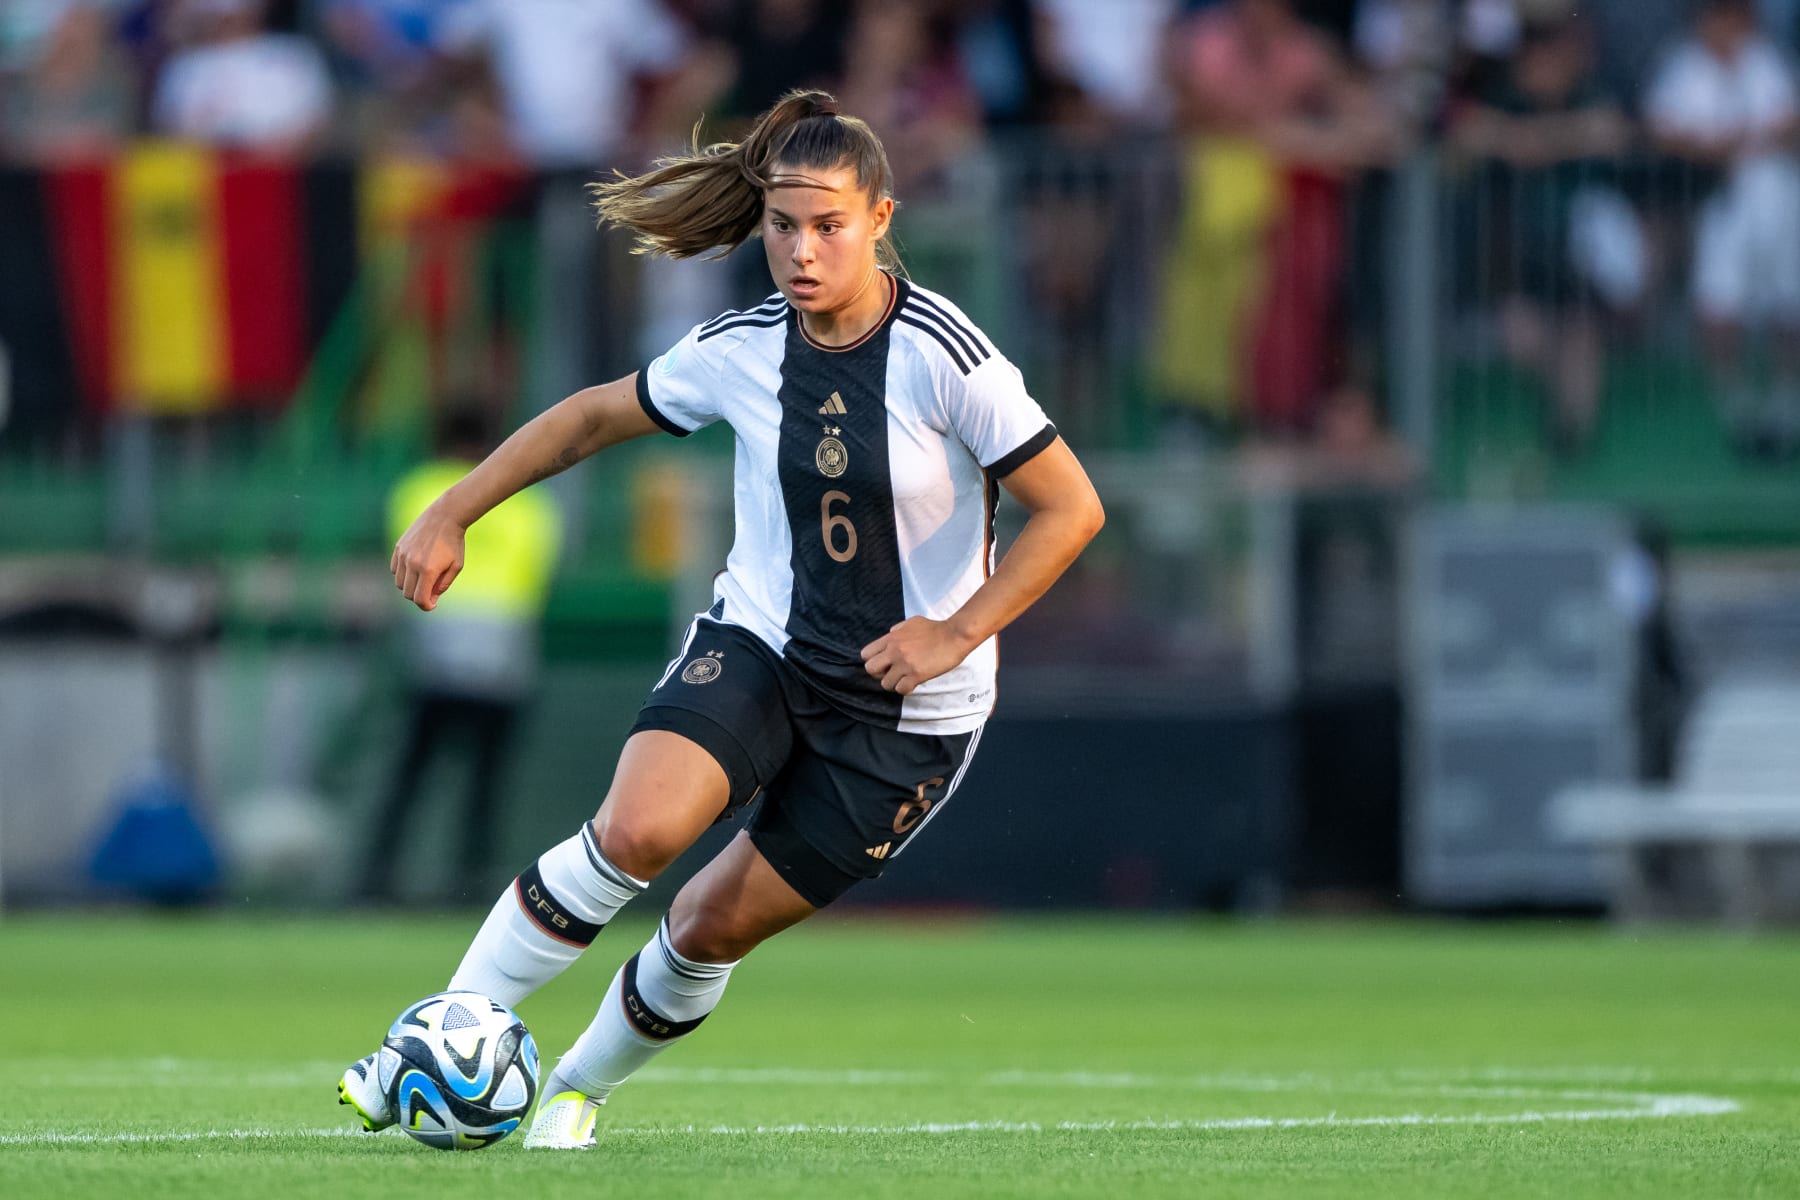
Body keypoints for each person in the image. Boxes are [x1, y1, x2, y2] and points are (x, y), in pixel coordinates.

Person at [336, 88, 1104, 1149]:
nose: (802, 250)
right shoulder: (742, 346)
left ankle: (576, 1091)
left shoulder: (948, 355)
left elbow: (1072, 509)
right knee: (636, 832)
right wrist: (453, 507)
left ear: (881, 219)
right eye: (783, 225)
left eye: (829, 225)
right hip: (765, 648)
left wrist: (955, 632)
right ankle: (422, 1045)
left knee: (706, 926)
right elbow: (590, 418)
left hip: (910, 713)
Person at [354, 407, 563, 904]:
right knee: (487, 784)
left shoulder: (418, 489)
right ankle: (471, 886)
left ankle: (376, 881)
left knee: (410, 776)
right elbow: (538, 577)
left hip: (435, 654)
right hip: (503, 660)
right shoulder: (528, 500)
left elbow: (403, 558)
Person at [1646, 0, 1800, 455]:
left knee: (1788, 305)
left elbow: (1790, 123)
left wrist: (1745, 138)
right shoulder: (1683, 65)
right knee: (1719, 303)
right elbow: (1663, 129)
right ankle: (1734, 403)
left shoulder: (1765, 59)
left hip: (1780, 201)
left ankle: (1786, 402)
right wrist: (1722, 145)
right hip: (1721, 203)